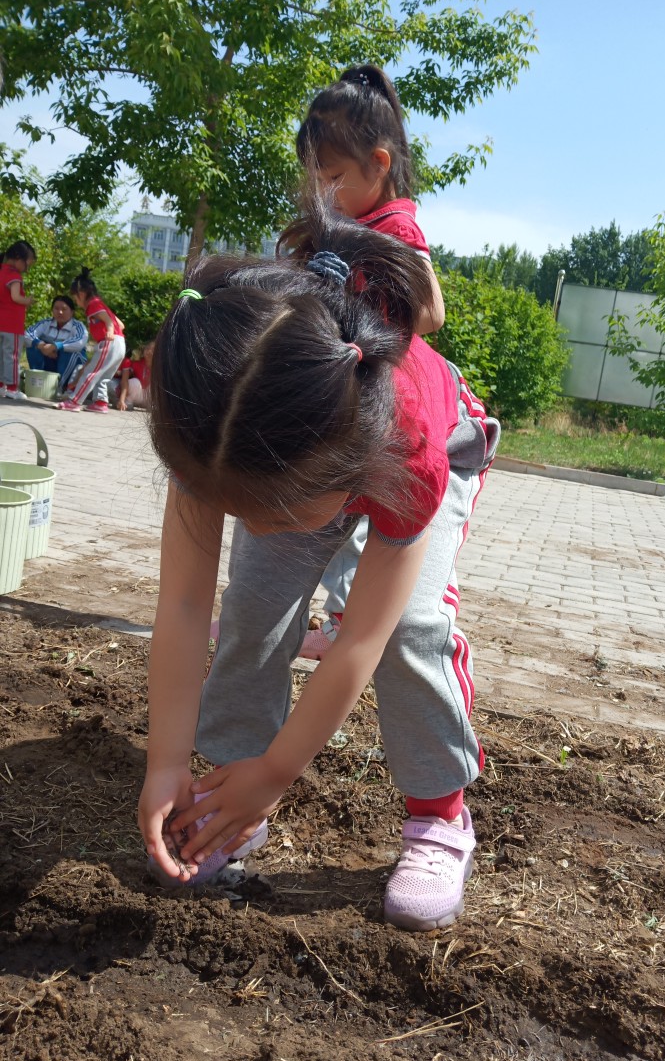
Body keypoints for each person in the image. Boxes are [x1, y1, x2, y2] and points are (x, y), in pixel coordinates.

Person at [138, 194, 499, 932]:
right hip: (295, 459)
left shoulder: (408, 453)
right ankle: (225, 798)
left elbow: (361, 638)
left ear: (337, 475)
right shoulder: (212, 417)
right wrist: (164, 761)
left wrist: (278, 775)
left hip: (428, 443)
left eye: (269, 514)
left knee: (411, 629)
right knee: (253, 605)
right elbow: (183, 606)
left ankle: (439, 816)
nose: (255, 530)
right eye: (238, 510)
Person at [294, 64, 446, 660]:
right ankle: (334, 620)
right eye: (315, 177)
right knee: (341, 513)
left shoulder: (394, 226)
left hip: (382, 405)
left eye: (333, 177)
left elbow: (430, 313)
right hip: (345, 398)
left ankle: (342, 622)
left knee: (363, 513)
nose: (322, 191)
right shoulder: (343, 222)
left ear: (379, 164)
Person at [57, 269, 126, 413]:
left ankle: (75, 401)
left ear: (81, 294)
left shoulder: (93, 305)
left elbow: (108, 321)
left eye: (75, 298)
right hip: (120, 344)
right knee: (103, 375)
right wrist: (111, 330)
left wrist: (109, 331)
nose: (77, 302)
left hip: (109, 342)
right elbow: (120, 324)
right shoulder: (101, 304)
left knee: (91, 372)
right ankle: (100, 402)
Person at [24, 295, 89, 391]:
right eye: (56, 309)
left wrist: (56, 346)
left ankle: (60, 387)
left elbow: (80, 341)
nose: (60, 312)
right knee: (32, 346)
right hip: (49, 360)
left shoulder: (78, 326)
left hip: (70, 367)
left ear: (72, 312)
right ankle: (38, 383)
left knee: (70, 352)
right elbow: (27, 334)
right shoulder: (46, 323)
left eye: (64, 309)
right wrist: (41, 346)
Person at [0, 240, 37, 400]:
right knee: (12, 356)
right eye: (27, 264)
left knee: (2, 356)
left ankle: (1, 386)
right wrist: (27, 300)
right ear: (18, 258)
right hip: (12, 325)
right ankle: (12, 388)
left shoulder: (1, 271)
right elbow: (15, 297)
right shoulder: (14, 275)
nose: (27, 268)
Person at [110, 341, 153, 410]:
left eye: (152, 350)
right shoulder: (136, 363)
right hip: (136, 395)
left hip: (148, 398)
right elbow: (125, 379)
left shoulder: (159, 368)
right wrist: (121, 399)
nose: (149, 351)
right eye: (147, 348)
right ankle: (127, 402)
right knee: (134, 382)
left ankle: (154, 405)